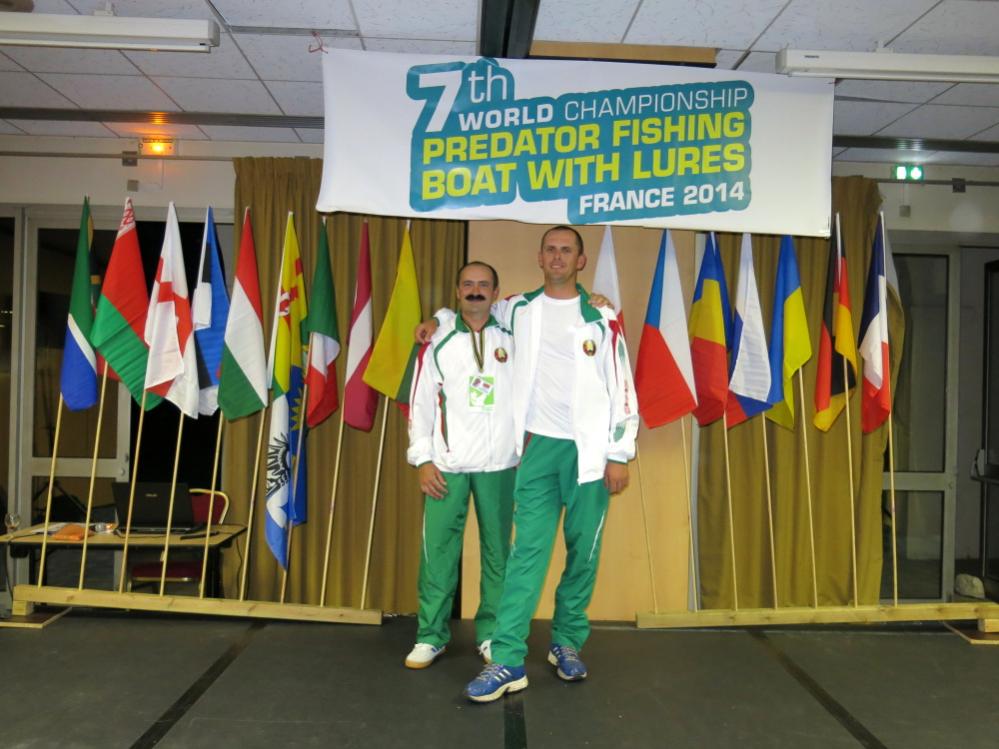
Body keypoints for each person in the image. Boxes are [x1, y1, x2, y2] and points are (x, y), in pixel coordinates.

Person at [427, 226, 638, 702]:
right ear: (540, 258)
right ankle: (506, 659)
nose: (558, 256)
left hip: (589, 454)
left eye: (567, 250)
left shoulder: (601, 317)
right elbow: (472, 309)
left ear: (580, 261)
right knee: (526, 554)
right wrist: (437, 320)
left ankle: (566, 641)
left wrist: (619, 451)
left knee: (583, 553)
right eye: (551, 250)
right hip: (538, 448)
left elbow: (622, 382)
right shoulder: (517, 308)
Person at [404, 261, 517, 669]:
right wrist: (423, 459)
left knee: (498, 554)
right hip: (447, 465)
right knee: (438, 551)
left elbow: (552, 302)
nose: (475, 290)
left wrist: (595, 300)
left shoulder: (514, 332)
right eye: (468, 284)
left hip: (500, 464)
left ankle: (491, 634)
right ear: (457, 291)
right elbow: (420, 403)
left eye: (484, 284)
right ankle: (430, 636)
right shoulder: (439, 339)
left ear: (496, 293)